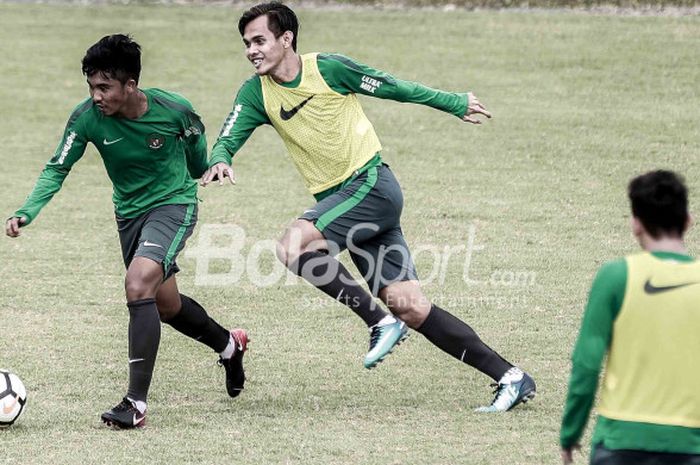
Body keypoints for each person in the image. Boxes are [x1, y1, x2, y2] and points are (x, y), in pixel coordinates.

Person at [202, 2, 534, 412]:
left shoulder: (329, 69)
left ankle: (378, 322)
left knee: (291, 246)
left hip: (371, 186)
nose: (251, 50)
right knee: (410, 306)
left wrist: (452, 102)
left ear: (285, 39)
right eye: (246, 43)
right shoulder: (256, 92)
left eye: (259, 40)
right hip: (346, 205)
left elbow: (392, 85)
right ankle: (510, 377)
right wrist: (221, 157)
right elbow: (230, 132)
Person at [5, 34, 249, 429]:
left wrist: (201, 172)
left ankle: (135, 403)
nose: (96, 95)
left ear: (130, 85)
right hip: (129, 216)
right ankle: (228, 346)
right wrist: (27, 211)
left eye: (105, 87)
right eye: (91, 87)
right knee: (165, 305)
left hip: (174, 206)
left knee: (137, 285)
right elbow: (57, 167)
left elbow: (196, 151)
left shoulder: (173, 110)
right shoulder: (86, 117)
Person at [560, 170, 700, 464]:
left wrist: (570, 434)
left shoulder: (615, 276)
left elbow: (586, 364)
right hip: (690, 444)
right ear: (688, 220)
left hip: (619, 442)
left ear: (635, 224)